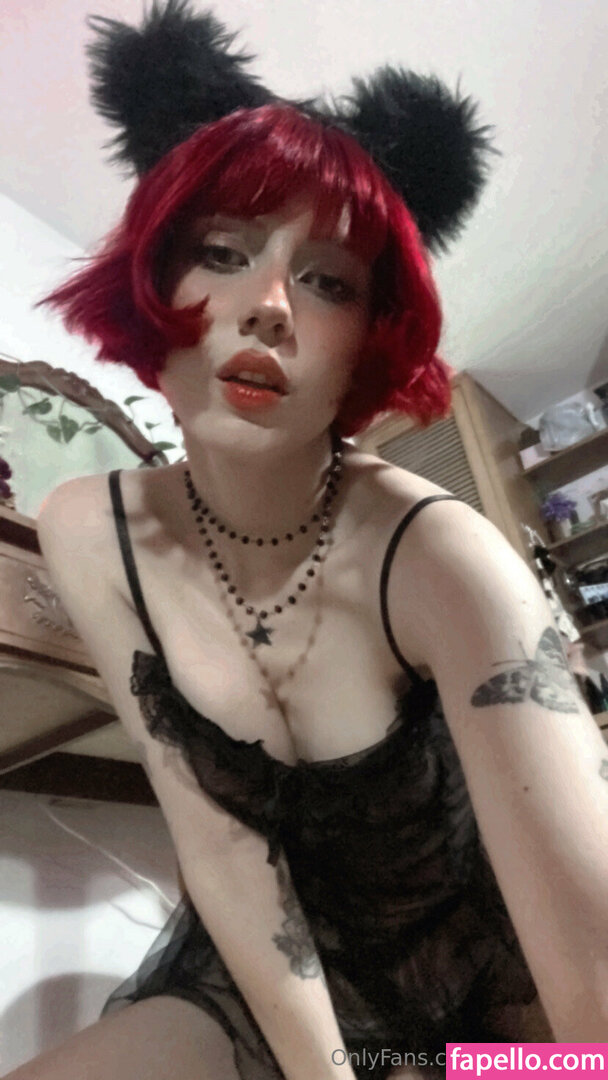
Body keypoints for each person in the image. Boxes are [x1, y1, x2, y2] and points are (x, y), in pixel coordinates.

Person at [19, 3, 608, 1079]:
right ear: (154, 277)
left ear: (369, 339)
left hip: (486, 1000)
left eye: (328, 281)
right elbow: (221, 846)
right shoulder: (88, 529)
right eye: (223, 251)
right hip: (264, 979)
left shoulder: (442, 557)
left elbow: (593, 998)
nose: (270, 306)